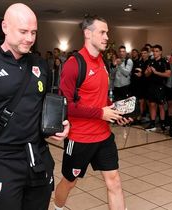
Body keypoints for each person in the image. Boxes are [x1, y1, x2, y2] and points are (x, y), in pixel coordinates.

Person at [0, 3, 69, 210]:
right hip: (2, 160)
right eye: (23, 31)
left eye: (34, 32)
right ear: (5, 27)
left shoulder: (40, 64)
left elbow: (45, 105)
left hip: (38, 157)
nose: (30, 38)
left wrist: (59, 126)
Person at [54, 14, 132, 210]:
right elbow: (66, 105)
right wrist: (100, 113)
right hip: (79, 138)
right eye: (102, 32)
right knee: (70, 182)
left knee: (114, 181)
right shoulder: (74, 64)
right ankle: (57, 208)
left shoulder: (103, 63)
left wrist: (115, 113)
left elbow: (102, 99)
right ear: (88, 33)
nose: (107, 37)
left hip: (104, 136)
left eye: (107, 32)